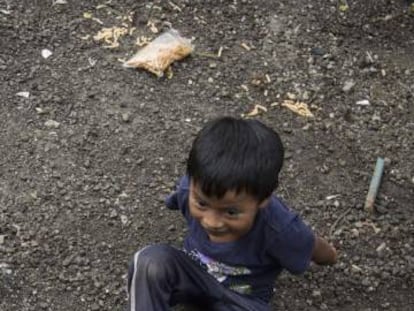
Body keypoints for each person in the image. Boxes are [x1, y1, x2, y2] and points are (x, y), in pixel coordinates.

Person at [127, 116, 337, 311]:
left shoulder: (279, 228)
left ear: (263, 199)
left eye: (230, 212)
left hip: (241, 302)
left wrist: (330, 257)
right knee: (149, 262)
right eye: (202, 204)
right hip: (194, 279)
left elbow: (311, 245)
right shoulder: (187, 191)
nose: (211, 221)